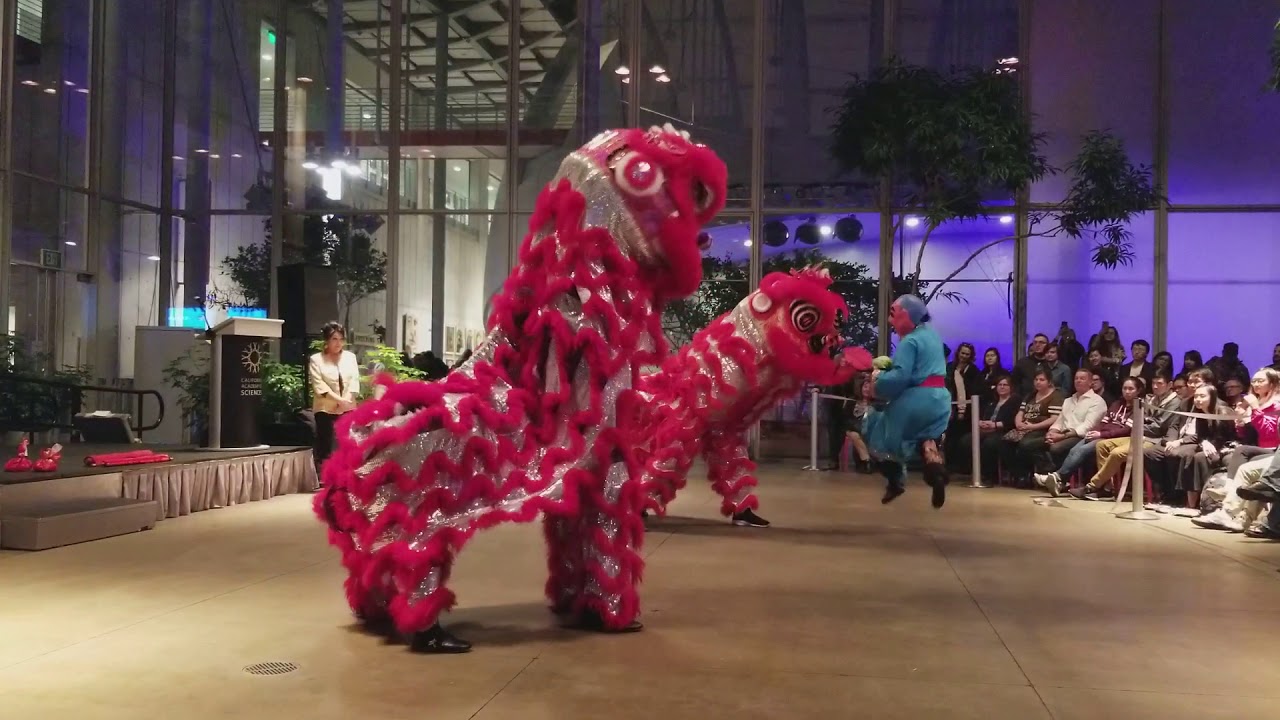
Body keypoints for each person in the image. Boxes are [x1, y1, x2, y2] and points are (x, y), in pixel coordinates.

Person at [862, 295, 951, 508]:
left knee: (876, 430)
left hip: (915, 400)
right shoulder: (933, 336)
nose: (891, 322)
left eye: (893, 315)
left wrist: (877, 379)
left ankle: (896, 481)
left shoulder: (910, 341)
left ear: (906, 315)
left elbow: (900, 377)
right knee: (928, 442)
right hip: (940, 401)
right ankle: (936, 473)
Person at [308, 321, 360, 472]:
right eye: (334, 339)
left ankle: (347, 473)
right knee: (326, 442)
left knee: (348, 441)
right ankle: (325, 474)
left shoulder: (350, 357)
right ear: (326, 341)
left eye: (341, 339)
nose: (338, 343)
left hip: (348, 406)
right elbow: (319, 386)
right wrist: (338, 400)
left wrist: (347, 400)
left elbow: (354, 380)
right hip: (325, 408)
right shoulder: (316, 359)